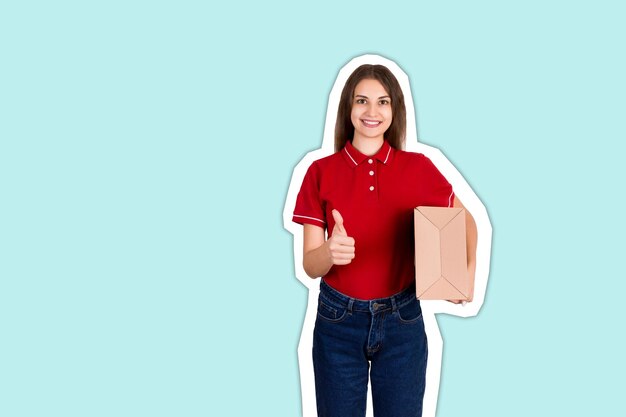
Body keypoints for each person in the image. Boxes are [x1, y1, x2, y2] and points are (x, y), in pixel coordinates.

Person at [292, 64, 477, 417]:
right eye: (362, 101)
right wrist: (329, 253)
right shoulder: (319, 172)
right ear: (348, 107)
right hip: (337, 324)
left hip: (403, 322)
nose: (372, 112)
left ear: (395, 111)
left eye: (383, 102)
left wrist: (464, 274)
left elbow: (467, 221)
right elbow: (309, 264)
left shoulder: (419, 168)